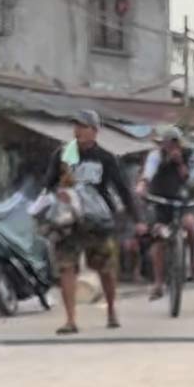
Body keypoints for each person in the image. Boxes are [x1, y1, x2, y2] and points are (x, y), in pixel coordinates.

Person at [43, 110, 137, 334]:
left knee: (106, 268)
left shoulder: (105, 158)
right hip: (68, 220)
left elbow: (122, 189)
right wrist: (57, 195)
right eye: (76, 126)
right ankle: (70, 320)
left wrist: (136, 218)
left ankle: (112, 311)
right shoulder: (62, 156)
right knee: (66, 267)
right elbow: (48, 185)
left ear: (95, 131)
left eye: (84, 126)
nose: (79, 131)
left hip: (97, 220)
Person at [138, 126, 194, 299]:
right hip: (161, 201)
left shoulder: (190, 154)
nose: (171, 147)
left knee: (189, 225)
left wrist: (180, 163)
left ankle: (193, 259)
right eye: (167, 144)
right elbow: (148, 173)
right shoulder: (155, 155)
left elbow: (193, 181)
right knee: (158, 238)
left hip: (183, 200)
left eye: (174, 143)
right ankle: (158, 283)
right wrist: (142, 185)